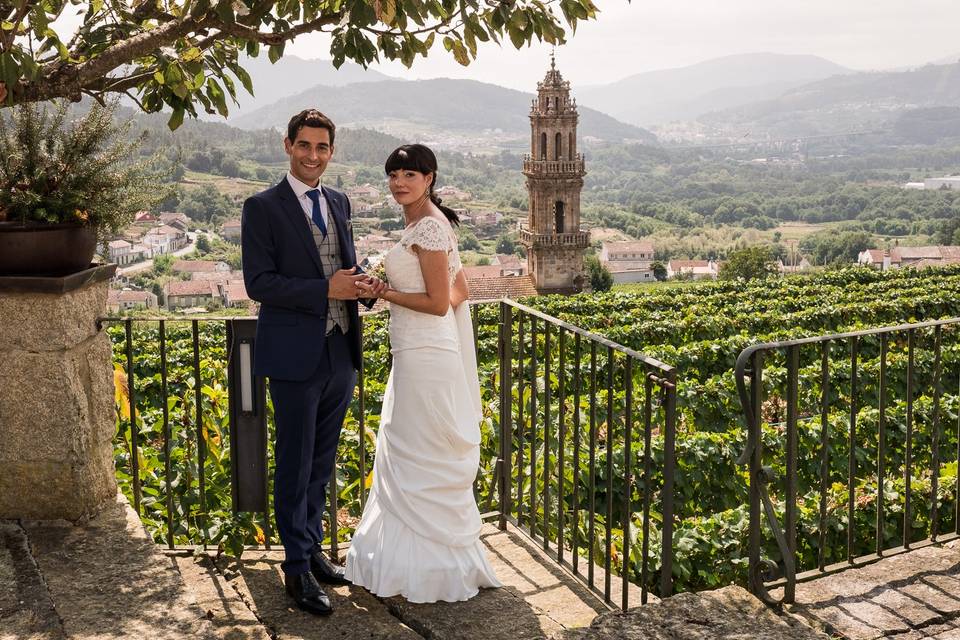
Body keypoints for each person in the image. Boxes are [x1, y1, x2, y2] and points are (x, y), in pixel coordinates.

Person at [241, 109, 385, 616]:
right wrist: (326, 287)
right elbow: (259, 284)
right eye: (305, 146)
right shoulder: (262, 208)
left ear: (331, 152)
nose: (313, 156)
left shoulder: (340, 201)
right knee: (295, 463)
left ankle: (313, 550)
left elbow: (342, 264)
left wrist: (365, 284)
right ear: (287, 146)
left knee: (321, 463)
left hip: (339, 350)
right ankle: (296, 568)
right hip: (294, 356)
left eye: (322, 148)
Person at [345, 144, 501, 603]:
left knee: (417, 447)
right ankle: (419, 560)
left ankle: (424, 567)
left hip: (426, 355)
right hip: (421, 352)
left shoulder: (429, 226)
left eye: (408, 174)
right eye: (393, 174)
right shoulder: (423, 223)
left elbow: (437, 303)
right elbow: (459, 291)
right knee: (412, 447)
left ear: (429, 178)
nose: (398, 182)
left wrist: (387, 293)